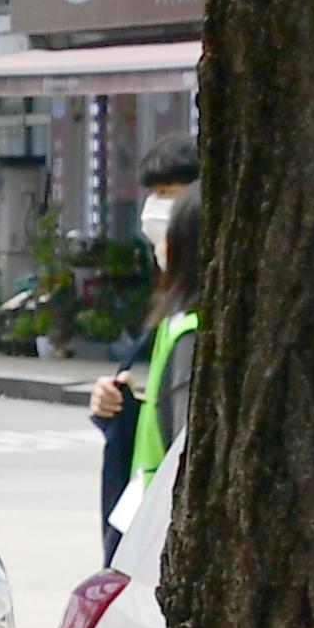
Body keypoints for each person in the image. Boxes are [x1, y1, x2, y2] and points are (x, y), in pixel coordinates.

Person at [90, 139, 200, 541]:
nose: (155, 209)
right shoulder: (172, 311)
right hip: (150, 516)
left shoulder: (193, 324)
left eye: (168, 195)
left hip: (163, 528)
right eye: (152, 195)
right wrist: (117, 404)